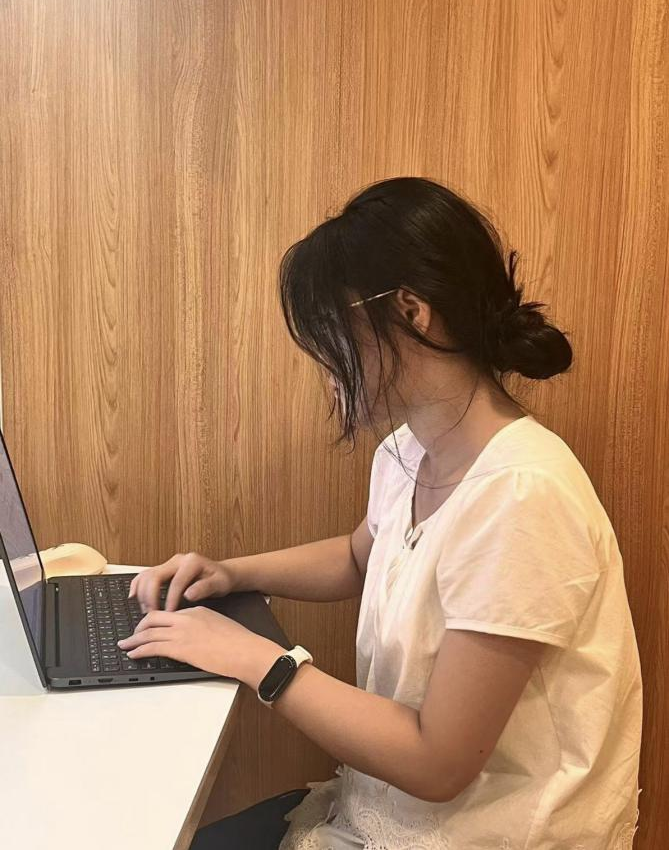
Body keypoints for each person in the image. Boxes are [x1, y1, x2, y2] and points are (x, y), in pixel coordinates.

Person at [123, 177, 643, 849]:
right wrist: (230, 572)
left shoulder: (522, 496)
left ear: (411, 311)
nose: (324, 368)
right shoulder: (408, 451)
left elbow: (437, 763)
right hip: (387, 804)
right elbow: (359, 556)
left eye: (328, 336)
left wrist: (261, 662)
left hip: (491, 831)